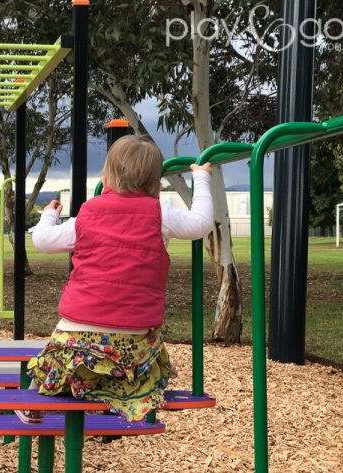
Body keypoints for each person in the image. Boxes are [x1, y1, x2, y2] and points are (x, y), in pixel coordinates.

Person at [16, 135, 213, 425]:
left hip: (77, 335)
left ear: (106, 179)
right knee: (134, 349)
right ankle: (126, 390)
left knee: (58, 347)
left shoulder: (89, 211)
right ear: (156, 184)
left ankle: (36, 399)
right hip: (134, 341)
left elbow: (43, 241)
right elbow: (202, 224)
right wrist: (202, 179)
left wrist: (48, 215)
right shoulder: (161, 213)